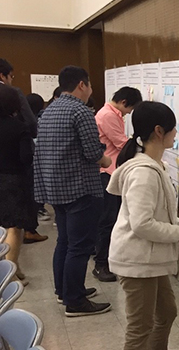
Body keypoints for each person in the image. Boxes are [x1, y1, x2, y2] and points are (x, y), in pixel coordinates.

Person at [108, 101, 179, 350]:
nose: (176, 134)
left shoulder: (155, 166)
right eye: (173, 129)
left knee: (167, 311)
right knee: (140, 326)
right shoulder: (144, 173)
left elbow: (162, 213)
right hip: (136, 261)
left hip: (150, 260)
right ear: (159, 131)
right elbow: (142, 224)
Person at [34, 66, 112, 317]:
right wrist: (106, 161)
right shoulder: (81, 111)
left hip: (56, 188)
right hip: (81, 189)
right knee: (79, 246)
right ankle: (75, 301)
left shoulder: (49, 110)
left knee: (65, 242)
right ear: (81, 84)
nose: (90, 90)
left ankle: (65, 291)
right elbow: (93, 152)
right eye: (90, 85)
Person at [93, 86, 142, 282]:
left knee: (110, 219)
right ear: (123, 102)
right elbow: (121, 143)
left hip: (112, 172)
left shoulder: (112, 114)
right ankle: (101, 264)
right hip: (107, 173)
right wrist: (145, 149)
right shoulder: (108, 115)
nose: (129, 113)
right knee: (108, 220)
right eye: (130, 109)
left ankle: (104, 259)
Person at [0, 86, 36, 284]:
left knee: (2, 227)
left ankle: (14, 267)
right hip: (13, 180)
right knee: (15, 227)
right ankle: (10, 274)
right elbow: (26, 157)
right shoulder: (19, 127)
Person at [22, 94, 50, 243]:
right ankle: (30, 230)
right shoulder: (31, 125)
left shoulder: (20, 121)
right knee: (31, 194)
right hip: (29, 164)